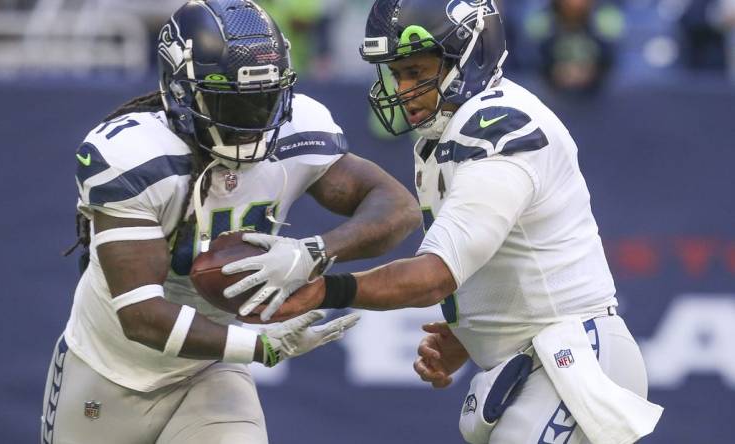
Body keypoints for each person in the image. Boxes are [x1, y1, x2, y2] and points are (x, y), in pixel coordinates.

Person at [239, 0, 662, 442]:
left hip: (573, 358)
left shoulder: (500, 128)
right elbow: (507, 252)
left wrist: (325, 288)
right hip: (538, 358)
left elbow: (433, 277)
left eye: (418, 73)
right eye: (397, 73)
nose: (405, 91)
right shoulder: (452, 131)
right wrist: (473, 329)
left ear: (470, 55)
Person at [40, 1, 421, 443]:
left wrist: (312, 250)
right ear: (181, 90)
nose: (253, 121)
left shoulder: (300, 129)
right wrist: (259, 346)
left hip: (210, 371)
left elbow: (398, 207)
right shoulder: (134, 157)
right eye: (231, 102)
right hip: (109, 369)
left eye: (265, 99)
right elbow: (141, 314)